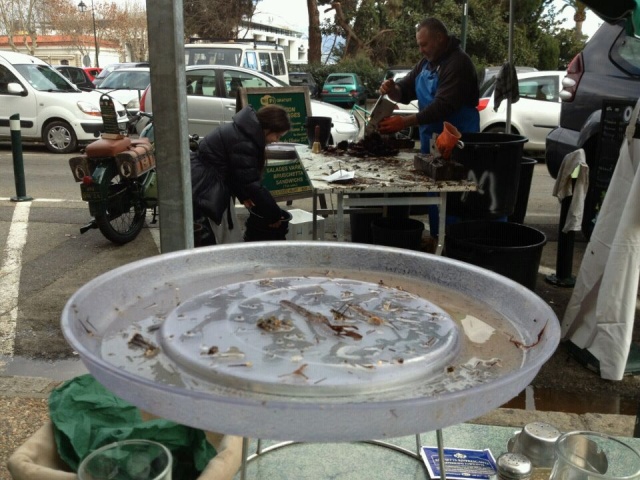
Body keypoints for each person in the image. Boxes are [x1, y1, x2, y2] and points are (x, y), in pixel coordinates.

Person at [377, 18, 480, 237]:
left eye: (424, 44)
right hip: (431, 144)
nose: (421, 50)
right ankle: (437, 239)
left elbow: (443, 106)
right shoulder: (425, 64)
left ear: (439, 38)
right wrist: (392, 89)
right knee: (435, 196)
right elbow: (404, 91)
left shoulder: (458, 63)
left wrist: (403, 122)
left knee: (454, 198)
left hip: (458, 144)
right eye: (419, 45)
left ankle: (455, 244)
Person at [191, 104, 291, 245]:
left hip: (206, 182)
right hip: (206, 188)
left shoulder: (242, 131)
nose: (276, 140)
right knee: (214, 241)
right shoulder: (244, 142)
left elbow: (234, 170)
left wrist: (243, 195)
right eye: (277, 135)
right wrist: (274, 215)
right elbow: (252, 184)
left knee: (224, 239)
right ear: (267, 128)